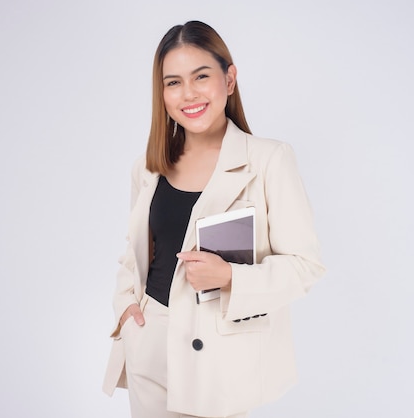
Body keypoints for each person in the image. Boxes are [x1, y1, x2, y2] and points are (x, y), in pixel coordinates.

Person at [102, 21, 325, 418]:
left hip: (221, 357)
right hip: (149, 344)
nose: (188, 94)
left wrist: (230, 278)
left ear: (230, 78)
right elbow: (134, 251)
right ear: (162, 93)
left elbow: (305, 267)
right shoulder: (148, 168)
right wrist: (126, 307)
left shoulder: (270, 160)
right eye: (173, 83)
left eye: (201, 76)